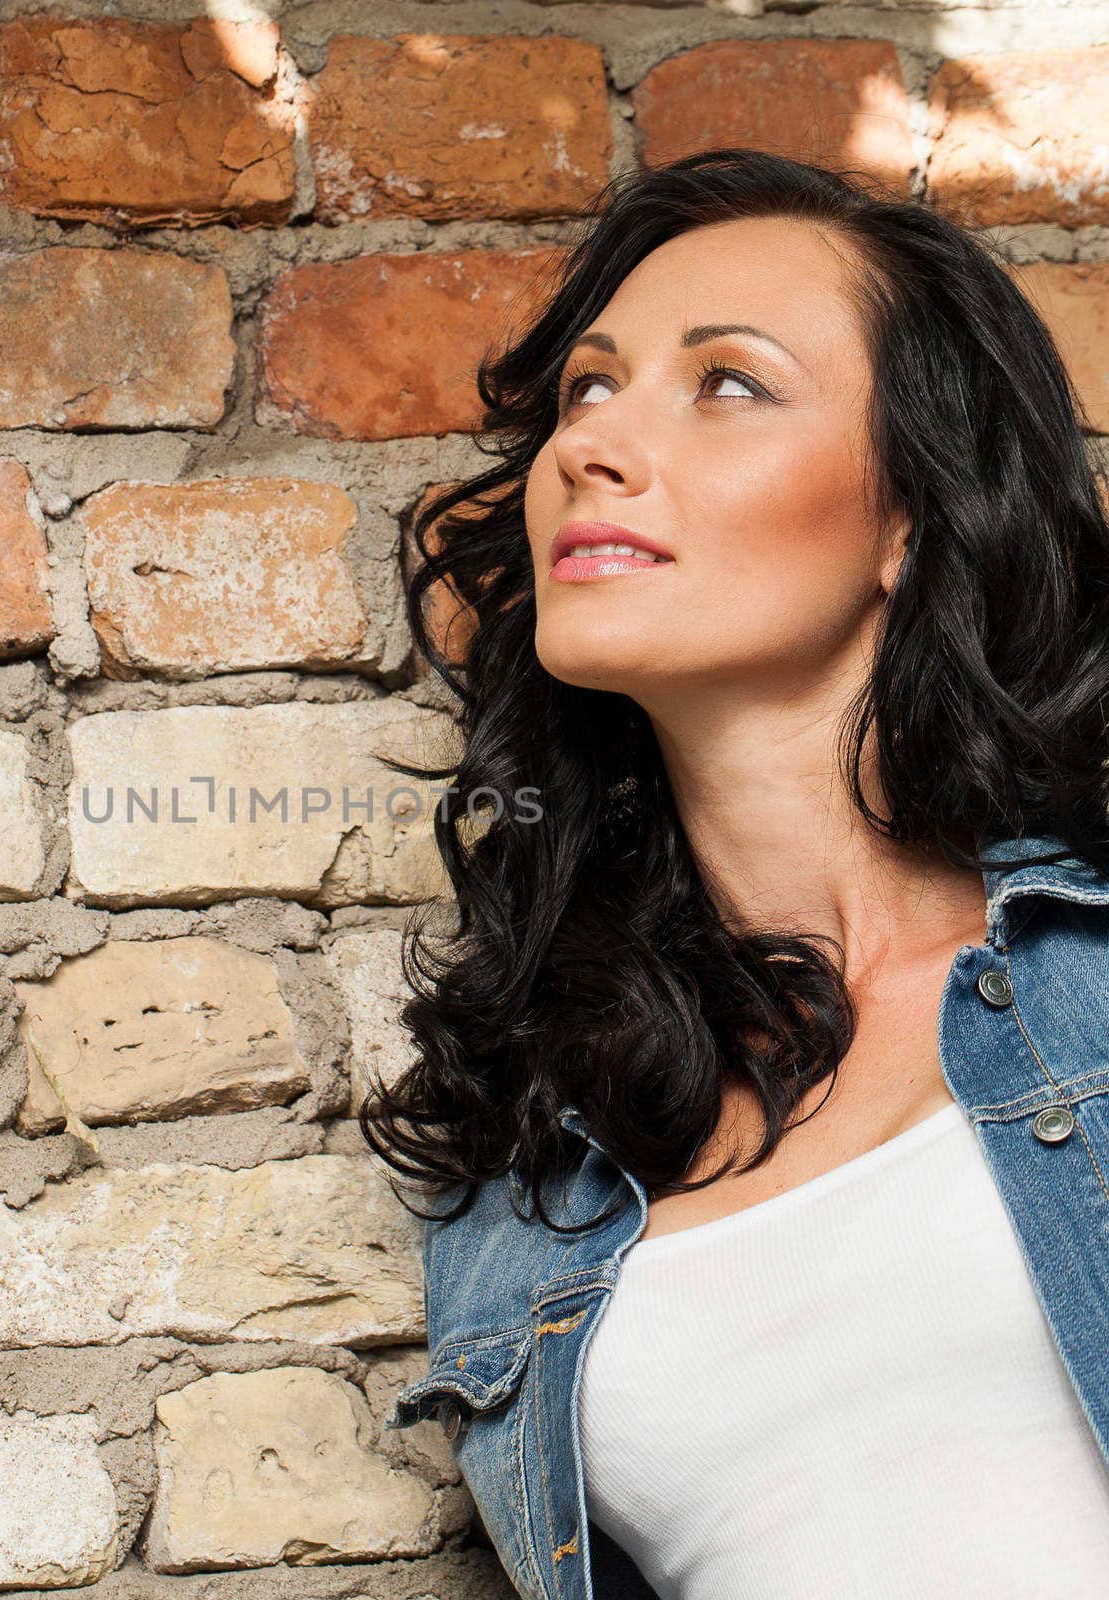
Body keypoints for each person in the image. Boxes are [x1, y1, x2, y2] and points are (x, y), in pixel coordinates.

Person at [363, 146, 1109, 1599]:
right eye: (589, 387)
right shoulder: (541, 1164)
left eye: (728, 384)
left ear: (910, 513)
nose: (593, 445)